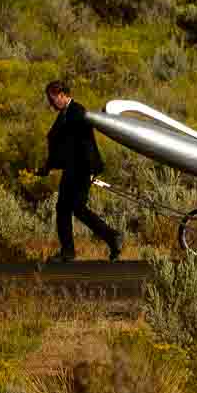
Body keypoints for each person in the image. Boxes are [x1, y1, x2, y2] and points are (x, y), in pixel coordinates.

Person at [41, 79, 122, 262]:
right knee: (64, 208)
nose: (50, 103)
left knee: (75, 207)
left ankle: (112, 237)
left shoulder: (77, 112)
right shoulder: (65, 113)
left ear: (62, 95)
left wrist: (91, 170)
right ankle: (69, 251)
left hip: (82, 169)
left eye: (52, 99)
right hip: (72, 169)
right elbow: (60, 144)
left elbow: (86, 143)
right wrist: (47, 167)